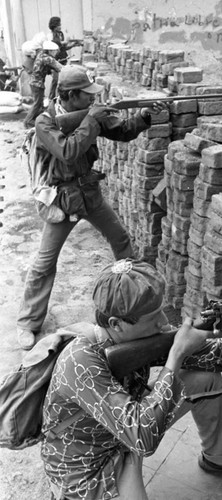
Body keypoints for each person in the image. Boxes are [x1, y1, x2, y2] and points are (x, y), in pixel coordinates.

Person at [40, 258, 222, 500]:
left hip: (125, 433)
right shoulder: (79, 360)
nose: (163, 320)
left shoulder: (139, 335)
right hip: (89, 467)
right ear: (116, 324)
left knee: (204, 377)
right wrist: (175, 356)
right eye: (153, 317)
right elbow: (142, 437)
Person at [17, 66, 166, 350]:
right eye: (86, 96)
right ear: (71, 95)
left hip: (90, 192)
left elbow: (123, 132)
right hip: (62, 199)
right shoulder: (45, 121)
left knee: (121, 240)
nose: (91, 100)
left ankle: (133, 304)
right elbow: (68, 151)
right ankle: (28, 322)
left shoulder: (89, 115)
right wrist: (92, 120)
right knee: (45, 262)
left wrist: (145, 116)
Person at [23, 40, 62, 129]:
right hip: (37, 84)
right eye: (55, 51)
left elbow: (41, 67)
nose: (56, 53)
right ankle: (28, 121)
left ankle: (32, 120)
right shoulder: (48, 58)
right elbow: (60, 67)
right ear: (50, 51)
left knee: (39, 103)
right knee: (37, 104)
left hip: (35, 83)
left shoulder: (41, 54)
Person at [48, 16, 83, 100]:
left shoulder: (60, 34)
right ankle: (51, 98)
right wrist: (65, 42)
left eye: (60, 25)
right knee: (56, 80)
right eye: (58, 25)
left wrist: (73, 45)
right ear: (54, 26)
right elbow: (57, 45)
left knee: (61, 80)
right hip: (55, 60)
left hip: (63, 60)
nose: (60, 26)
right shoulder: (50, 36)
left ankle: (59, 98)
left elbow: (63, 48)